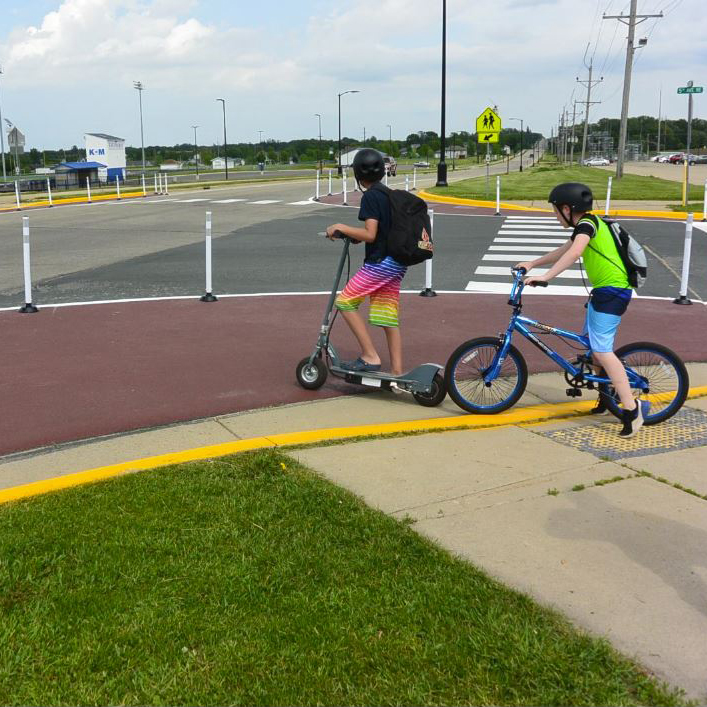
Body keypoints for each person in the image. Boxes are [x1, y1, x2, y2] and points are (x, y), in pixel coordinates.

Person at [515, 182, 649, 438]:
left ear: (567, 208)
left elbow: (575, 252)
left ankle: (632, 409)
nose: (556, 216)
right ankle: (606, 397)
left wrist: (548, 277)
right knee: (592, 348)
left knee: (601, 350)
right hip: (604, 292)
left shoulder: (587, 225)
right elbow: (565, 249)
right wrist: (533, 263)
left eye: (556, 211)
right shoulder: (587, 224)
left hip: (613, 292)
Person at [325, 148, 406, 376]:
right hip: (396, 263)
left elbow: (370, 234)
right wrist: (355, 236)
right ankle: (398, 373)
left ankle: (370, 356)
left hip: (380, 263)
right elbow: (381, 232)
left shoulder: (370, 196)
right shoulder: (389, 194)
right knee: (387, 318)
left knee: (345, 302)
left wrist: (340, 227)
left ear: (358, 175)